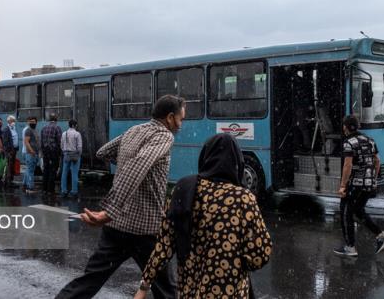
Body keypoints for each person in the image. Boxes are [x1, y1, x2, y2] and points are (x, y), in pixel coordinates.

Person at [56, 95, 185, 299]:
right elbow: (139, 165)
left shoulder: (135, 130)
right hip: (145, 229)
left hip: (117, 228)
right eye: (180, 119)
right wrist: (109, 212)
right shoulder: (164, 136)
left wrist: (126, 162)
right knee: (166, 290)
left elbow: (103, 152)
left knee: (89, 281)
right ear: (170, 117)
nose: (180, 125)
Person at [134, 134, 272, 299]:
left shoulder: (183, 189)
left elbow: (163, 247)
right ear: (237, 162)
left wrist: (144, 285)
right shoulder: (243, 199)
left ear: (205, 157)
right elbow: (260, 256)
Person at [334, 115, 384, 256]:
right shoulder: (369, 140)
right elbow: (377, 161)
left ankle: (350, 247)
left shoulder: (349, 142)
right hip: (369, 184)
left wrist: (342, 186)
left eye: (344, 126)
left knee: (346, 211)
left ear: (345, 127)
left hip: (355, 184)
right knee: (358, 211)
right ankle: (380, 235)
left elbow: (348, 165)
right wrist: (372, 178)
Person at [41, 113, 62, 195]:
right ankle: (50, 190)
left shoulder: (44, 128)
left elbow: (42, 142)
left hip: (45, 152)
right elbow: (59, 141)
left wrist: (43, 151)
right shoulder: (57, 128)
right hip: (53, 152)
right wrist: (60, 152)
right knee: (53, 170)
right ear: (56, 120)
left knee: (46, 170)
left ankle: (44, 189)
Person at [60, 119, 82, 198]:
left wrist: (65, 152)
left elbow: (61, 146)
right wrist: (79, 155)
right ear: (73, 125)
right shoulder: (77, 134)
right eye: (76, 125)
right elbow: (79, 147)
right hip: (75, 154)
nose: (76, 126)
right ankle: (74, 191)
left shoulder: (64, 134)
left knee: (64, 173)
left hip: (66, 154)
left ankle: (64, 191)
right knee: (74, 173)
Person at [23, 117, 40, 193]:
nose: (32, 123)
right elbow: (26, 142)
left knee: (30, 170)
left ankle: (26, 184)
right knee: (30, 171)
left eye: (34, 121)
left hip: (35, 153)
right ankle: (30, 188)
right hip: (30, 154)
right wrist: (31, 150)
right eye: (31, 121)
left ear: (36, 122)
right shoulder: (28, 130)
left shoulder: (35, 130)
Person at [1, 115, 19, 188]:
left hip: (14, 149)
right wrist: (9, 151)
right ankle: (7, 182)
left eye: (14, 121)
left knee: (11, 166)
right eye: (12, 121)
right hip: (9, 151)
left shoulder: (13, 128)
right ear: (8, 121)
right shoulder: (6, 129)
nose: (13, 122)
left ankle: (10, 180)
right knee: (9, 166)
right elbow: (5, 142)